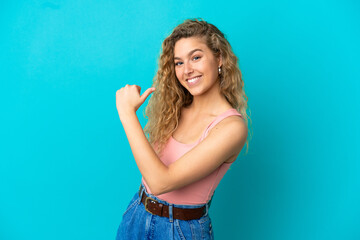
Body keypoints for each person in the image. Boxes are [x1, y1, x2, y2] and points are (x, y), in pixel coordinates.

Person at [115, 18, 250, 240]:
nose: (187, 70)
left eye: (196, 57)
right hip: (137, 213)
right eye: (178, 63)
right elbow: (149, 170)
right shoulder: (175, 109)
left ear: (220, 58)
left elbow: (160, 182)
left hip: (179, 230)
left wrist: (127, 115)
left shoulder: (231, 128)